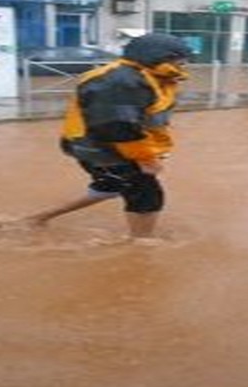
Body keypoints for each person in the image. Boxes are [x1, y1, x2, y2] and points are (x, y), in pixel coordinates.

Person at [21, 33, 192, 239]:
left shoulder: (152, 77)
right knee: (146, 195)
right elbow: (116, 126)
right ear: (157, 56)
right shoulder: (120, 80)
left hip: (111, 148)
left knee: (110, 188)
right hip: (105, 149)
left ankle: (38, 218)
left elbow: (144, 118)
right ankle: (141, 246)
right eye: (180, 59)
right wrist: (146, 159)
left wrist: (153, 151)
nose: (185, 63)